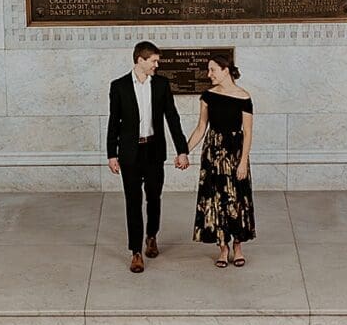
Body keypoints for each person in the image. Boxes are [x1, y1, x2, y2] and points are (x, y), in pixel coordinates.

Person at [107, 41, 190, 273]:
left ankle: (151, 236)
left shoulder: (162, 84)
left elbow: (172, 118)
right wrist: (111, 154)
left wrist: (182, 150)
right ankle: (135, 251)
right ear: (140, 60)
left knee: (154, 197)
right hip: (130, 153)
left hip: (153, 150)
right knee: (133, 202)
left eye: (157, 61)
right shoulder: (119, 86)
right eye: (153, 60)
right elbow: (114, 122)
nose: (157, 64)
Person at [186, 54, 256, 267]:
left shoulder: (244, 97)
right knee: (215, 200)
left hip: (235, 154)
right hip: (213, 155)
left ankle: (238, 246)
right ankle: (223, 248)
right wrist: (184, 151)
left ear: (226, 70)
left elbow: (248, 132)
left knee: (238, 199)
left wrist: (243, 161)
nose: (209, 75)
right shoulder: (207, 96)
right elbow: (200, 128)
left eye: (212, 70)